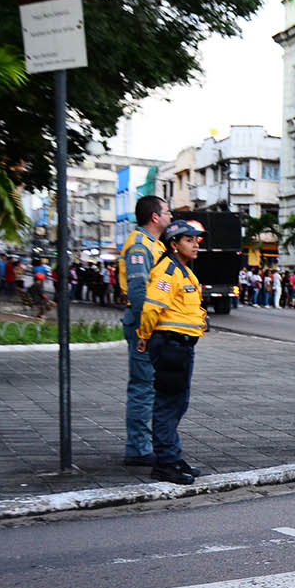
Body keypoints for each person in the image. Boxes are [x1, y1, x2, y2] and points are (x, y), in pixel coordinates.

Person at [137, 219, 209, 485]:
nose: (195, 245)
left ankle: (172, 456)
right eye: (189, 240)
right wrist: (143, 336)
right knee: (168, 404)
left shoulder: (184, 271)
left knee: (178, 402)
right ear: (174, 244)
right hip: (169, 344)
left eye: (196, 240)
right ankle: (165, 463)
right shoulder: (168, 270)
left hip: (181, 345)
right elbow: (152, 306)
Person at [117, 195, 171, 467]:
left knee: (151, 386)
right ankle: (138, 449)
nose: (170, 216)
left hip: (152, 325)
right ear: (154, 217)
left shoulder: (154, 244)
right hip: (143, 325)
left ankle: (147, 443)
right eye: (167, 212)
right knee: (142, 387)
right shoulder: (139, 247)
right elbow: (139, 293)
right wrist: (145, 331)